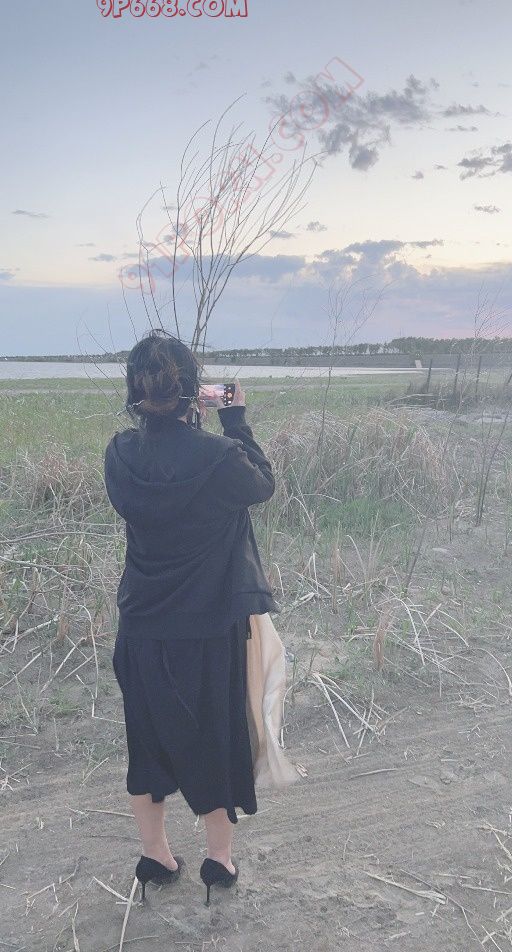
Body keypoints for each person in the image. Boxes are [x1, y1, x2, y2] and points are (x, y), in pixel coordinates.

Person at [103, 328, 279, 905]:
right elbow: (263, 483)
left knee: (146, 741)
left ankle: (155, 856)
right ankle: (218, 861)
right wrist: (234, 418)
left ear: (136, 392)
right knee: (215, 739)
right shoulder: (219, 458)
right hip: (206, 631)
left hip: (140, 629)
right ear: (192, 390)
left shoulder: (119, 455)